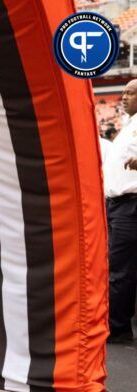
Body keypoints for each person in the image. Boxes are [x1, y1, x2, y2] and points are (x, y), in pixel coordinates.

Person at [104, 79, 137, 343]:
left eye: (131, 92)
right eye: (123, 92)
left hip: (131, 204)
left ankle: (118, 327)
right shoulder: (128, 125)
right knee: (120, 267)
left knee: (120, 268)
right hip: (116, 204)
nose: (124, 97)